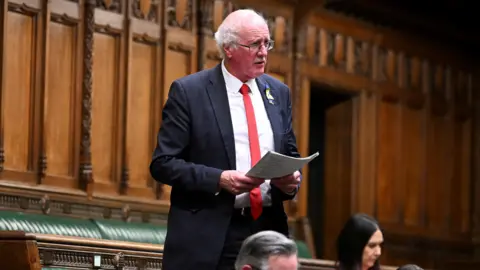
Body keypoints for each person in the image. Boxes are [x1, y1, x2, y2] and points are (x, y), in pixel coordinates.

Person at [149, 8, 302, 270]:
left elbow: (290, 154)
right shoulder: (190, 92)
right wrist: (219, 179)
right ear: (229, 48)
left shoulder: (279, 92)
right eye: (255, 44)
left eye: (267, 43)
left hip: (267, 229)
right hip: (212, 231)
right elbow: (163, 163)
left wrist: (290, 183)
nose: (264, 52)